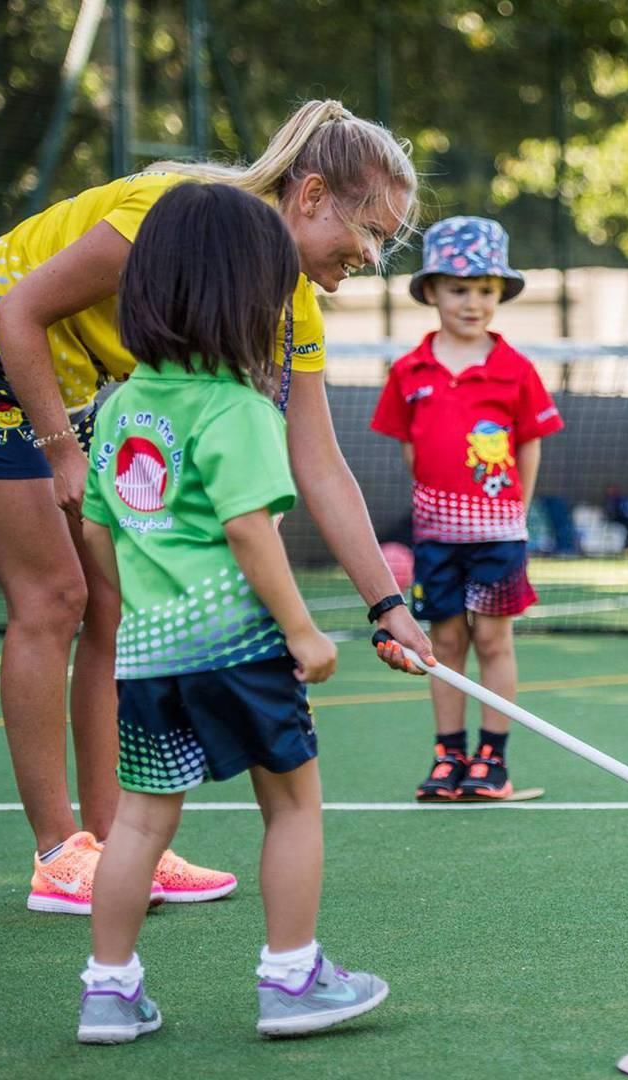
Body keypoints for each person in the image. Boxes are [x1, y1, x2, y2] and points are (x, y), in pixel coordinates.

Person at [0, 99, 438, 914]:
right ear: (312, 195)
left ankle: (117, 846)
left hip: (61, 388)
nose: (372, 254)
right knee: (55, 597)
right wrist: (62, 452)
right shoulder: (169, 215)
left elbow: (317, 462)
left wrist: (387, 604)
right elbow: (19, 313)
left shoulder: (291, 297)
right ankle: (56, 853)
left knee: (113, 604)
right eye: (368, 229)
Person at [74, 183, 385, 1044]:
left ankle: (109, 988)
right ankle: (292, 978)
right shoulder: (241, 408)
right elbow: (250, 529)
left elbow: (98, 539)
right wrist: (301, 630)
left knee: (137, 820)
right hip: (239, 648)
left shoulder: (120, 408)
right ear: (249, 299)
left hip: (145, 654)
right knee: (291, 806)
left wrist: (146, 604)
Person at [371, 216, 563, 802]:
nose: (472, 302)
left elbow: (530, 442)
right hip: (436, 538)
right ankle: (449, 754)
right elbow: (411, 450)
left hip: (499, 537)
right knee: (443, 644)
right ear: (430, 291)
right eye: (458, 288)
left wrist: (514, 512)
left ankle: (492, 760)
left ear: (500, 294)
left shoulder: (517, 370)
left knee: (494, 644)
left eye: (485, 289)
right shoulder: (408, 372)